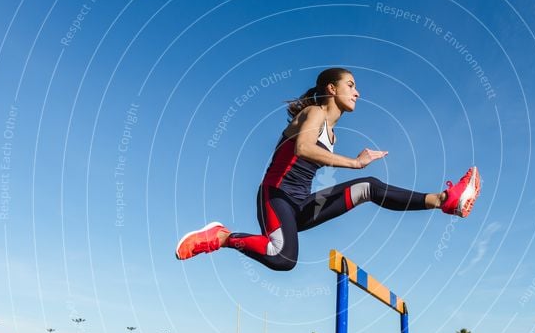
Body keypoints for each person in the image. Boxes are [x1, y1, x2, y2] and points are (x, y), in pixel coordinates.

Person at [175, 68, 480, 271]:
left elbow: (315, 155)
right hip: (276, 196)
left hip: (301, 205)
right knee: (283, 258)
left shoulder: (333, 135)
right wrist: (355, 162)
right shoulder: (314, 112)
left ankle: (444, 200)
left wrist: (357, 166)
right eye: (351, 85)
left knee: (368, 187)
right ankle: (222, 236)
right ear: (332, 89)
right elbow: (303, 149)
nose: (357, 92)